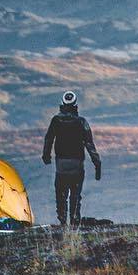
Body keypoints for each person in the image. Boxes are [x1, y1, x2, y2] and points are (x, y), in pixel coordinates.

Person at [42, 89, 102, 226]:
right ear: (76, 105)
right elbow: (89, 144)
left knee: (61, 193)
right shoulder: (82, 122)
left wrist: (46, 156)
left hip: (61, 164)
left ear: (62, 104)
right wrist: (97, 164)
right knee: (75, 194)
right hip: (77, 164)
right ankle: (74, 220)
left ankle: (62, 220)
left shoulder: (56, 121)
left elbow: (48, 139)